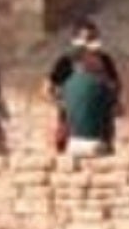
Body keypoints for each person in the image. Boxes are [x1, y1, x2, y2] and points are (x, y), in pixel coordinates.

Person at [46, 19, 123, 152]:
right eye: (87, 38)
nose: (90, 42)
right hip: (73, 125)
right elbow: (47, 87)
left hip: (100, 123)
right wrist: (61, 104)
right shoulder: (67, 61)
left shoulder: (104, 60)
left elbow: (115, 84)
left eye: (93, 37)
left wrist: (113, 100)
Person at [59, 46, 118, 157]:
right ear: (87, 61)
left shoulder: (66, 85)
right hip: (95, 144)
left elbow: (64, 116)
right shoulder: (101, 85)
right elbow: (116, 112)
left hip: (73, 145)